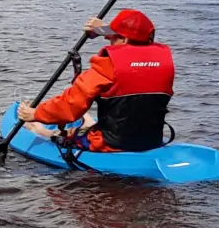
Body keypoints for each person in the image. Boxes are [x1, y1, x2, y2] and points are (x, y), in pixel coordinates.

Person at [16, 9, 174, 152]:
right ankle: (88, 122)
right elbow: (133, 38)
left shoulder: (108, 65)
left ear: (123, 40)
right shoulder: (164, 62)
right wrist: (101, 29)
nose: (109, 40)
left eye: (111, 37)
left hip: (112, 145)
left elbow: (71, 105)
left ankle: (41, 131)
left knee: (65, 135)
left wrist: (36, 113)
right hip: (151, 141)